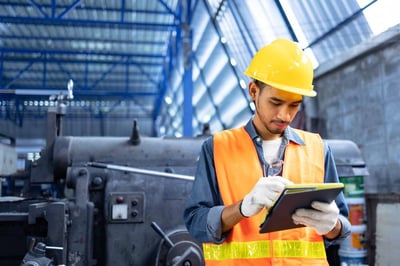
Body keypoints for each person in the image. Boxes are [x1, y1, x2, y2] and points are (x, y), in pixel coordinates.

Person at [183, 38, 351, 265]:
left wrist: (333, 225)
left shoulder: (319, 149)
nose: (284, 115)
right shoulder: (217, 148)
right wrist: (242, 208)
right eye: (275, 102)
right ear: (254, 91)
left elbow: (341, 226)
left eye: (294, 105)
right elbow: (196, 222)